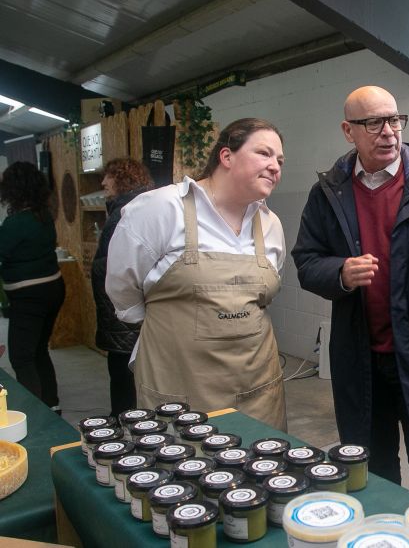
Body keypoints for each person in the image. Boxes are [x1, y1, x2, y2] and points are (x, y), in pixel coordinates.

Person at [292, 86, 409, 497]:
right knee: (371, 471)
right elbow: (306, 261)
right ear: (348, 130)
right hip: (360, 361)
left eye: (395, 119)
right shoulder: (329, 192)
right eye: (374, 122)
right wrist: (340, 271)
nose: (389, 132)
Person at [106, 118, 288, 430]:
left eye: (280, 160)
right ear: (226, 156)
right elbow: (123, 292)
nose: (275, 166)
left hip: (258, 393)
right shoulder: (161, 209)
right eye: (264, 153)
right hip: (179, 391)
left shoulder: (271, 225)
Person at [0, 161, 66, 411]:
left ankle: (36, 414)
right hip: (52, 288)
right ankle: (51, 406)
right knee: (39, 350)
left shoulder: (17, 222)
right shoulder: (43, 215)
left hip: (29, 295)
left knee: (21, 356)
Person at [91, 157, 154, 416]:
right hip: (123, 314)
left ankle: (124, 430)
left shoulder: (126, 212)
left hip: (124, 316)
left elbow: (126, 270)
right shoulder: (132, 208)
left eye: (109, 176)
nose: (104, 182)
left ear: (123, 178)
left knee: (122, 378)